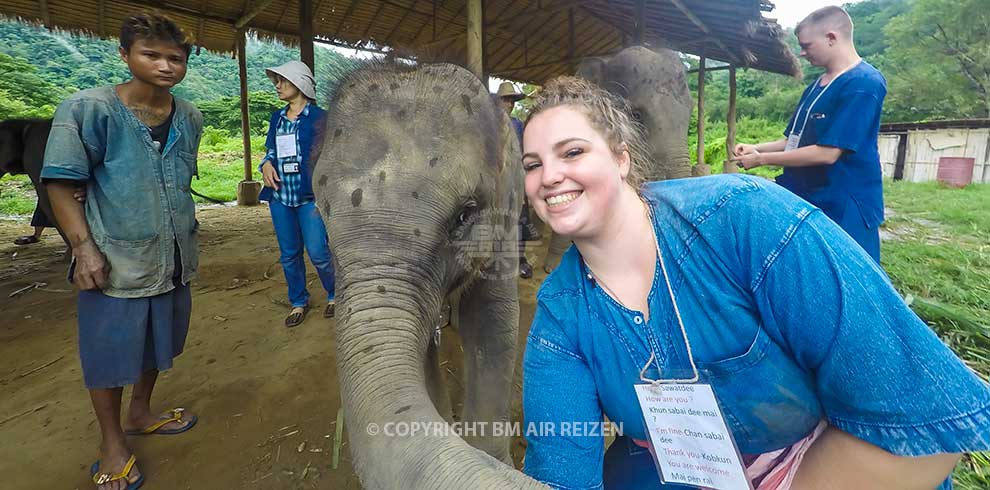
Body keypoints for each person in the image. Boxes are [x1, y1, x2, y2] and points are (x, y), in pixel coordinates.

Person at [519, 76, 990, 490]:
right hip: (680, 466)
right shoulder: (559, 313)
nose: (550, 177)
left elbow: (926, 428)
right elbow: (562, 471)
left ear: (621, 159)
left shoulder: (746, 221)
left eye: (573, 152)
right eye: (532, 164)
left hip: (830, 462)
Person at [41, 12, 202, 490]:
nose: (166, 66)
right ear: (125, 56)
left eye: (175, 58)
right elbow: (60, 184)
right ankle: (112, 442)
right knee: (109, 354)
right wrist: (84, 249)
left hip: (173, 256)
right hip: (114, 260)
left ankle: (140, 412)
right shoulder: (88, 109)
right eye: (151, 55)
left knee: (158, 342)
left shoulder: (189, 115)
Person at [731, 6, 886, 264]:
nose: (802, 53)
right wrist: (755, 147)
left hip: (844, 200)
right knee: (810, 266)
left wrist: (762, 160)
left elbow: (828, 153)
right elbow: (792, 141)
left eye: (807, 45)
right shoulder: (815, 86)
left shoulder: (864, 84)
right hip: (807, 191)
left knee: (850, 268)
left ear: (832, 37)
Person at [258, 60, 336, 328]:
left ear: (300, 84)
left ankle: (335, 294)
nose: (277, 86)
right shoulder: (276, 118)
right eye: (277, 81)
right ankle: (298, 301)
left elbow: (333, 157)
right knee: (289, 254)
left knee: (318, 252)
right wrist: (266, 164)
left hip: (309, 198)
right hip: (280, 197)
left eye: (283, 81)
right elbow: (270, 150)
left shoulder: (321, 118)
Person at [495, 80, 537, 279]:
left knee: (521, 220)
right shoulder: (490, 124)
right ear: (498, 101)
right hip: (497, 180)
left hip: (518, 178)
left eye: (512, 100)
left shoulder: (518, 125)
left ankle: (521, 259)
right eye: (506, 100)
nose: (510, 104)